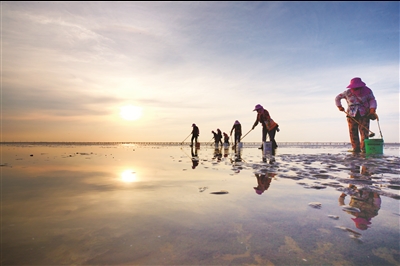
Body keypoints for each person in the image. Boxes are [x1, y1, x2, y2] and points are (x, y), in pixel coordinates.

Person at [335, 77, 377, 153]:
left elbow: (372, 100)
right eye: (354, 87)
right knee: (352, 131)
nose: (356, 89)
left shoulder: (367, 91)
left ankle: (364, 148)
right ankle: (356, 149)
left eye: (357, 87)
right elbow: (337, 98)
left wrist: (372, 109)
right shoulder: (347, 92)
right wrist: (339, 106)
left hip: (364, 114)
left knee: (364, 131)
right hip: (351, 115)